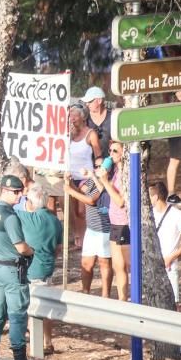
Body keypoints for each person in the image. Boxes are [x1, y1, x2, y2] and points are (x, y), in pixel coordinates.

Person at [0, 175, 41, 360]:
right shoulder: (10, 216)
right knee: (17, 315)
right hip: (12, 270)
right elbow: (21, 246)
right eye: (16, 192)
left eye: (20, 191)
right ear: (4, 191)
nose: (20, 195)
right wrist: (32, 251)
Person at [149, 181, 181, 355]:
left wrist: (171, 257)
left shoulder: (177, 215)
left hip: (169, 265)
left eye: (149, 195)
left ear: (155, 196)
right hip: (153, 265)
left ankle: (180, 340)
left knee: (174, 303)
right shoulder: (150, 214)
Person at [18, 183, 63, 354]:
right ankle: (47, 341)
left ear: (31, 202)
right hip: (47, 268)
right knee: (44, 307)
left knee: (31, 308)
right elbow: (58, 248)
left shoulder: (27, 218)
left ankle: (35, 344)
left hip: (31, 270)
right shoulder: (55, 220)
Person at [65, 158, 113, 298]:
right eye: (96, 166)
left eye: (100, 166)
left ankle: (106, 295)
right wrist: (69, 183)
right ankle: (86, 292)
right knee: (86, 263)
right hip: (91, 229)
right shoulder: (91, 181)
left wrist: (71, 191)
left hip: (105, 229)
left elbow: (92, 200)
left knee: (104, 263)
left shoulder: (107, 183)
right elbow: (81, 191)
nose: (97, 168)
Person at [98, 140, 130, 301]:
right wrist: (96, 177)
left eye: (115, 151)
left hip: (124, 223)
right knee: (118, 266)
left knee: (128, 265)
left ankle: (131, 298)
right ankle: (122, 299)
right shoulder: (117, 170)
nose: (111, 154)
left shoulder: (127, 173)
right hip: (115, 222)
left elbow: (120, 201)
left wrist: (104, 181)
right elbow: (107, 191)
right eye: (110, 151)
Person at [68, 104, 101, 243]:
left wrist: (98, 174)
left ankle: (89, 237)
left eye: (75, 115)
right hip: (71, 176)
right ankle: (79, 239)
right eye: (70, 115)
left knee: (83, 210)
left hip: (85, 177)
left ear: (82, 117)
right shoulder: (68, 134)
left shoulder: (90, 134)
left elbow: (98, 155)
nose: (72, 119)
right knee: (74, 211)